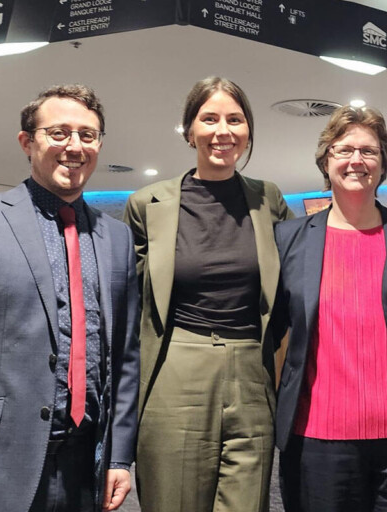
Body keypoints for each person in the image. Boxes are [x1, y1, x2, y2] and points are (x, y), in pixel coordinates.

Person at [123, 76, 293, 512]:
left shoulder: (268, 200)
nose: (223, 131)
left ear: (248, 130)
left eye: (235, 120)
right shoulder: (148, 204)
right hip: (176, 367)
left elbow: (292, 285)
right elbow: (132, 303)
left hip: (253, 370)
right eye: (210, 118)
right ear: (189, 129)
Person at [274, 105, 387, 512]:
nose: (357, 160)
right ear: (326, 160)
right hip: (317, 442)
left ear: (383, 163)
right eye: (344, 150)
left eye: (369, 151)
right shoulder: (288, 239)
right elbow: (269, 328)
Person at [0, 84, 139, 511]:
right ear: (27, 142)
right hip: (0, 453)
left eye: (87, 135)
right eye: (59, 132)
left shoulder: (117, 238)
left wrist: (121, 455)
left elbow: (125, 356)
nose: (74, 146)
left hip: (87, 461)